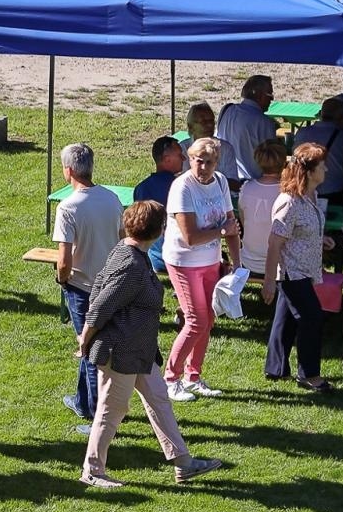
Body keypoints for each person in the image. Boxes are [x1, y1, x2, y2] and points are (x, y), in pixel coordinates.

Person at [76, 201, 224, 489]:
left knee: (159, 399)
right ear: (158, 230)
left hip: (140, 349)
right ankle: (92, 470)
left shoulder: (128, 252)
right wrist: (86, 338)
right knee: (111, 409)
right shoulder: (131, 263)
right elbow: (101, 304)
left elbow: (102, 292)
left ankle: (183, 463)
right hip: (120, 352)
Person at [162, 137, 241, 400]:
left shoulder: (219, 182)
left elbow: (232, 225)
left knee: (208, 320)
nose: (203, 167)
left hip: (210, 261)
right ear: (189, 160)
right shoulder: (182, 187)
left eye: (209, 162)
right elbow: (191, 237)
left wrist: (237, 266)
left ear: (216, 163)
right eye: (198, 161)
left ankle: (193, 376)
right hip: (183, 260)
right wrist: (221, 231)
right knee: (196, 321)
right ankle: (170, 379)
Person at [52, 143, 123, 424]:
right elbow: (121, 240)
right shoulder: (111, 198)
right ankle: (82, 401)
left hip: (82, 288)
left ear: (68, 171)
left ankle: (98, 418)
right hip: (111, 285)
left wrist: (62, 279)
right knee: (90, 346)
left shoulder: (68, 207)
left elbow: (64, 260)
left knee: (92, 351)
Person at [261, 144, 337, 393]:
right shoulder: (289, 202)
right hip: (293, 273)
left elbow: (299, 232)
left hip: (305, 269)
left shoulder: (310, 197)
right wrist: (269, 280)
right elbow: (274, 242)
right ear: (310, 171)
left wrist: (319, 239)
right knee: (312, 317)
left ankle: (275, 367)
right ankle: (310, 375)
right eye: (321, 165)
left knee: (285, 320)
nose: (325, 168)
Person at [293, 97, 343, 200]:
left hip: (305, 190)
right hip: (335, 192)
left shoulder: (302, 133)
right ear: (342, 117)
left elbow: (294, 159)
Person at [132, 136, 183, 272]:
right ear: (167, 159)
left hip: (152, 258)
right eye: (180, 155)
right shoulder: (182, 187)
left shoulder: (141, 188)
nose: (184, 158)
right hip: (180, 259)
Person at [214, 75, 278, 182]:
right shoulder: (264, 122)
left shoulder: (227, 110)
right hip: (253, 183)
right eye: (270, 95)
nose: (271, 100)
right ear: (259, 95)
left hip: (225, 180)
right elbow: (273, 158)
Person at [238, 140, 286, 272]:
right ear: (283, 162)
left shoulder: (246, 188)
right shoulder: (289, 193)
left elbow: (244, 221)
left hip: (249, 260)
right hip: (280, 263)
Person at [178, 103, 219, 170]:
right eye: (203, 122)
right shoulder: (181, 150)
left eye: (211, 121)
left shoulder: (225, 148)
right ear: (190, 127)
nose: (210, 125)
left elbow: (232, 179)